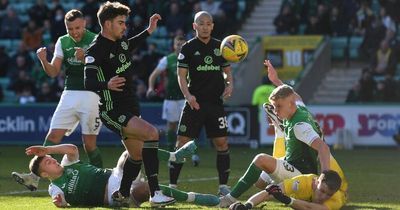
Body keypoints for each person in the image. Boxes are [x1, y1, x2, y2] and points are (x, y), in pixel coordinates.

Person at [84, 1, 175, 207]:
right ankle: (155, 193)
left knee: (136, 155)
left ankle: (122, 194)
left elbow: (130, 44)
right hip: (112, 110)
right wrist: (106, 84)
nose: (125, 26)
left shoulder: (121, 42)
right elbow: (87, 81)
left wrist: (149, 31)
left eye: (124, 22)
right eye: (120, 22)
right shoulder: (95, 50)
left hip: (130, 106)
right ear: (107, 24)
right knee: (153, 134)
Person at [219, 60, 332, 207]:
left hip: (302, 173)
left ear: (290, 104)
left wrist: (324, 178)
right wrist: (276, 81)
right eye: (274, 107)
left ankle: (229, 198)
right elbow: (295, 95)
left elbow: (323, 148)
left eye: (279, 106)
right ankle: (280, 189)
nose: (276, 111)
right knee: (259, 182)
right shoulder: (298, 107)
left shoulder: (299, 126)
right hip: (292, 161)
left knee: (260, 160)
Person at [12, 9, 102, 192]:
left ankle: (100, 178)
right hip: (69, 93)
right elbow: (53, 72)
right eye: (70, 29)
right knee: (52, 136)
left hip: (92, 94)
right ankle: (34, 177)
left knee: (89, 144)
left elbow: (105, 69)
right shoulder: (63, 41)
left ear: (84, 24)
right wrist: (44, 60)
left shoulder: (96, 39)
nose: (74, 32)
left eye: (77, 27)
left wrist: (86, 59)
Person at [25, 143, 219, 207]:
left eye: (50, 157)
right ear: (44, 173)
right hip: (114, 195)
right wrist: (59, 203)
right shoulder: (55, 187)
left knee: (133, 150)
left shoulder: (68, 163)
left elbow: (72, 148)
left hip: (116, 173)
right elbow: (59, 201)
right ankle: (194, 198)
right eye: (48, 162)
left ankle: (174, 156)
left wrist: (46, 148)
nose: (53, 160)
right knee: (147, 189)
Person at [172, 10, 233, 194]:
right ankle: (172, 186)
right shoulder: (188, 48)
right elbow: (181, 76)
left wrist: (229, 85)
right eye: (201, 23)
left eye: (208, 23)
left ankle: (223, 187)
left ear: (212, 26)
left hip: (215, 104)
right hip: (194, 103)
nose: (205, 27)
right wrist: (188, 96)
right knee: (181, 143)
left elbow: (227, 72)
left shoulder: (221, 47)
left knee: (222, 143)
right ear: (194, 26)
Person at [146, 35, 201, 167]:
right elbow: (153, 75)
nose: (180, 46)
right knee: (171, 126)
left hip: (186, 97)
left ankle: (193, 154)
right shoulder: (167, 59)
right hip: (170, 98)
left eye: (182, 44)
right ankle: (172, 155)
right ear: (174, 46)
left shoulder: (192, 58)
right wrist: (150, 88)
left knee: (190, 126)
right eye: (177, 44)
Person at [229, 170, 345, 210]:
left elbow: (310, 208)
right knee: (260, 184)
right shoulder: (303, 182)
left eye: (328, 195)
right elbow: (269, 192)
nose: (323, 197)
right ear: (315, 183)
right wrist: (247, 206)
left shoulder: (337, 199)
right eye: (321, 191)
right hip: (300, 172)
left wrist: (286, 200)